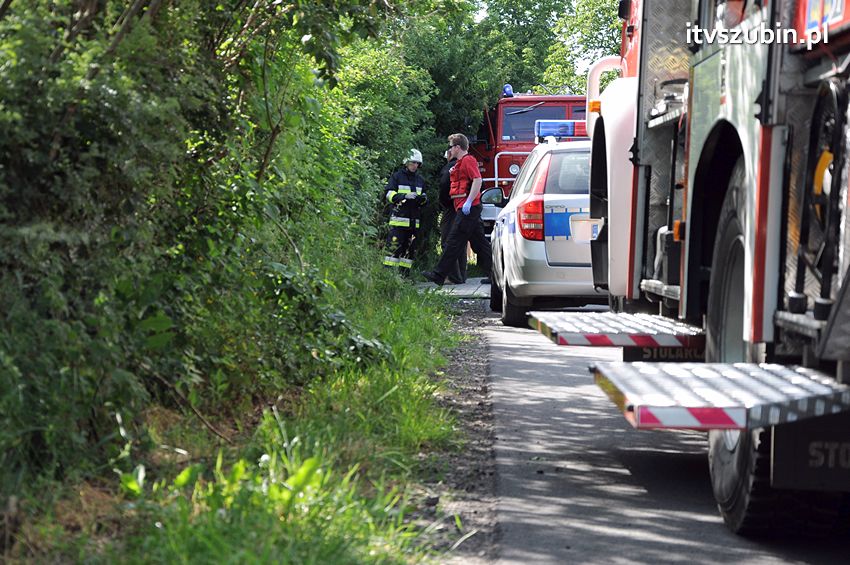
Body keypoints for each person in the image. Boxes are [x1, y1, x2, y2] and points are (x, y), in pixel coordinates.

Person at [422, 134, 491, 286]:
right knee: (479, 243)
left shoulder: (468, 160)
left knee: (453, 240)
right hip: (466, 207)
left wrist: (468, 201)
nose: (450, 150)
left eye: (451, 147)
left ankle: (439, 274)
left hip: (468, 208)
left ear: (458, 147)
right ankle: (494, 274)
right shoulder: (461, 163)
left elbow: (478, 180)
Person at [383, 149, 427, 275]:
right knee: (393, 251)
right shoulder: (397, 177)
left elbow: (424, 198)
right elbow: (389, 194)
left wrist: (422, 199)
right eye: (413, 163)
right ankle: (388, 276)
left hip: (413, 224)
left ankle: (404, 278)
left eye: (417, 164)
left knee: (409, 253)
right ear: (406, 162)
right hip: (398, 223)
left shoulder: (420, 180)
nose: (415, 166)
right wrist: (404, 196)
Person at [438, 148, 467, 284]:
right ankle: (461, 275)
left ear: (449, 154)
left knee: (448, 240)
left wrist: (444, 204)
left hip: (451, 207)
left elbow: (444, 186)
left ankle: (454, 276)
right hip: (466, 208)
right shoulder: (468, 165)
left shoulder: (449, 168)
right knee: (460, 241)